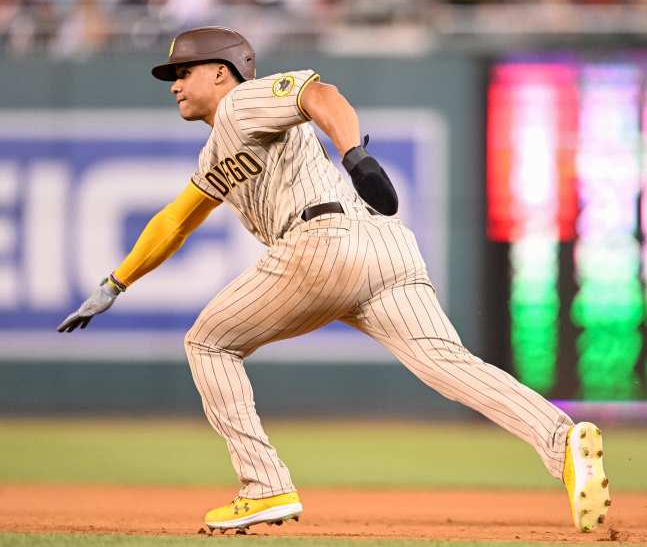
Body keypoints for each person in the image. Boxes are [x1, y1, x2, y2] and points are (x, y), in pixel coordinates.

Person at [57, 26, 610, 534]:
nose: (175, 84)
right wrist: (116, 281)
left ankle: (264, 485)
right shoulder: (220, 146)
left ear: (222, 72)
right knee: (451, 363)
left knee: (208, 342)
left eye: (185, 71)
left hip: (320, 246)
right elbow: (175, 219)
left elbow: (321, 96)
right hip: (383, 248)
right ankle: (561, 440)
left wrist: (356, 156)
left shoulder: (243, 102)